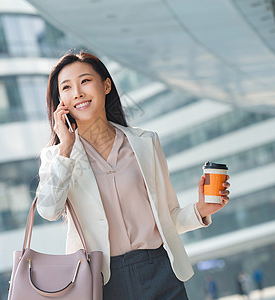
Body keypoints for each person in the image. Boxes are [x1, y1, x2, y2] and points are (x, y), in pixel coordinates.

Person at [35, 51, 231, 300]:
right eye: (66, 87)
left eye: (85, 81)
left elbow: (167, 218)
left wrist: (201, 210)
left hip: (159, 270)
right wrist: (65, 148)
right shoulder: (57, 157)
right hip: (102, 282)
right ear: (60, 100)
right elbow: (48, 210)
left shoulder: (145, 143)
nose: (78, 93)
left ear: (106, 85)